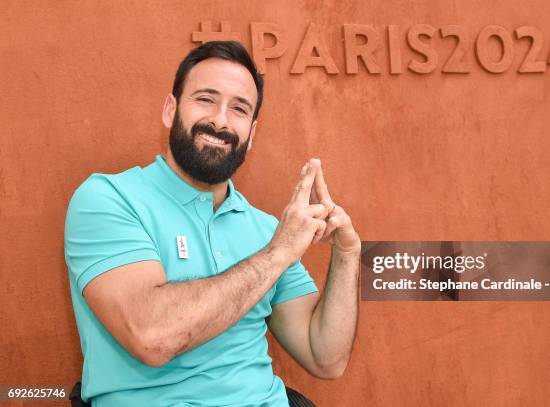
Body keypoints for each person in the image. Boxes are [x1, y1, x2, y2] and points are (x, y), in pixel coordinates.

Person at [64, 40, 360, 407]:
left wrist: (347, 254)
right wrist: (279, 253)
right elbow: (151, 336)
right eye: (205, 99)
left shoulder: (265, 230)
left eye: (239, 109)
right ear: (170, 110)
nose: (220, 120)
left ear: (252, 134)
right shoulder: (108, 198)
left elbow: (325, 357)